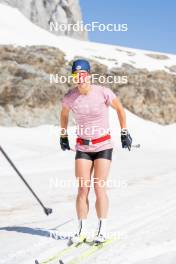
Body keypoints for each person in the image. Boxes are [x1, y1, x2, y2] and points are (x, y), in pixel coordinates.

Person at [60, 59, 132, 243]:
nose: (80, 78)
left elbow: (120, 110)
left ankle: (102, 230)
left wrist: (124, 132)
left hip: (103, 146)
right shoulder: (70, 96)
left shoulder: (103, 92)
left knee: (99, 187)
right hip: (83, 146)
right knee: (83, 189)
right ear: (73, 77)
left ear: (89, 75)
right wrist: (63, 135)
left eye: (83, 74)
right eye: (76, 75)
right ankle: (82, 231)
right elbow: (64, 114)